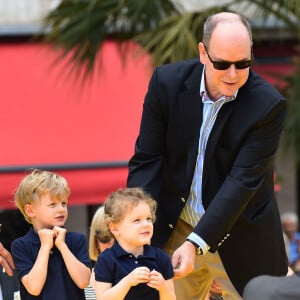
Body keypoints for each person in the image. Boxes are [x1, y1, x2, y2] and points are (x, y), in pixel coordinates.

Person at [127, 11, 288, 299]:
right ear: (203, 53)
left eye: (243, 64)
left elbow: (241, 183)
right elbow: (147, 161)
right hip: (174, 227)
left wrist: (195, 244)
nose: (232, 74)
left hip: (241, 234)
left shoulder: (268, 105)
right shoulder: (166, 83)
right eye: (222, 63)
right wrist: (138, 225)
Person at [11, 169, 91, 300]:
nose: (61, 209)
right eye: (52, 205)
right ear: (30, 210)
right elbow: (34, 288)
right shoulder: (21, 245)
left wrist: (62, 246)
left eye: (64, 203)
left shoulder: (77, 240)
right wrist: (45, 247)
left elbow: (83, 282)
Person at [94, 187, 176, 300]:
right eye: (137, 220)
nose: (146, 224)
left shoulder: (161, 257)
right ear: (114, 228)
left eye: (148, 219)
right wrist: (128, 281)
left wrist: (163, 287)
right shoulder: (106, 259)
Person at [84, 206, 114, 300]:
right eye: (105, 237)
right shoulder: (86, 278)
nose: (112, 242)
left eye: (118, 237)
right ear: (96, 241)